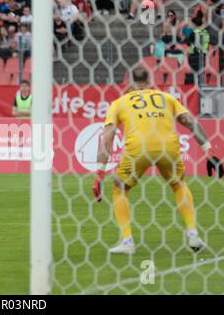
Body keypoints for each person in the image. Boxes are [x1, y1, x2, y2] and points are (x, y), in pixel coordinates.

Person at [92, 67, 223, 254]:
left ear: (129, 82)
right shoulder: (166, 98)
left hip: (138, 149)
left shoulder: (119, 103)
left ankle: (128, 241)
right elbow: (190, 121)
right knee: (178, 184)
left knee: (119, 188)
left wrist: (99, 173)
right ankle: (193, 234)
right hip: (168, 147)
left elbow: (107, 136)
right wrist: (209, 152)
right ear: (149, 80)